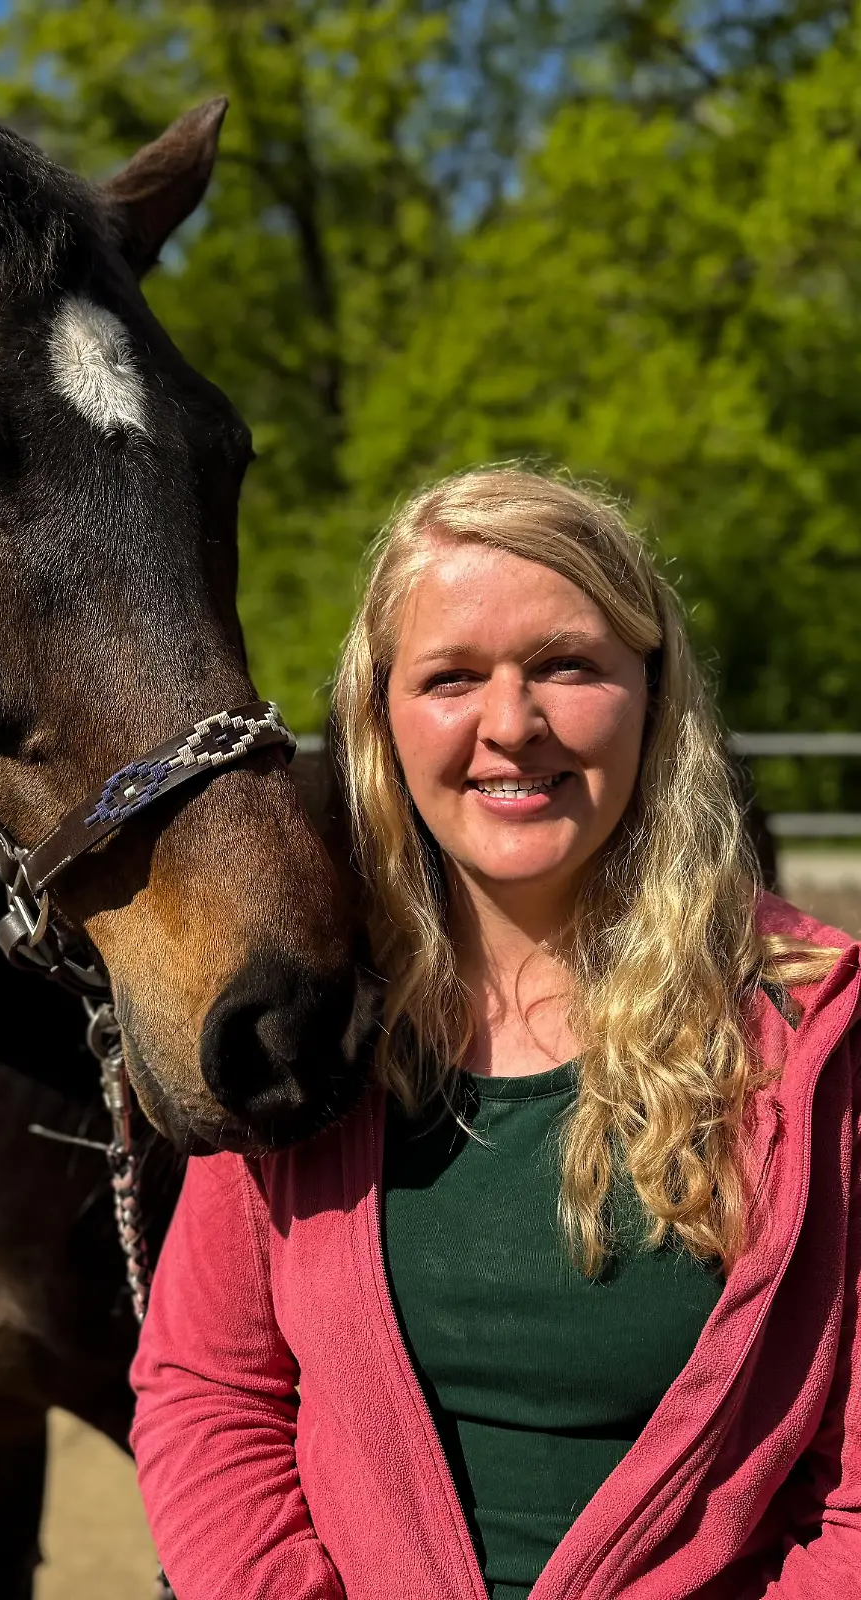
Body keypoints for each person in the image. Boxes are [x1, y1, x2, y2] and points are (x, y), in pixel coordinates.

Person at [129, 468, 861, 1600]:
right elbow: (207, 1387)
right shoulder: (314, 1021)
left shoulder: (813, 1036)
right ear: (382, 717)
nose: (510, 727)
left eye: (567, 665)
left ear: (651, 693)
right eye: (451, 678)